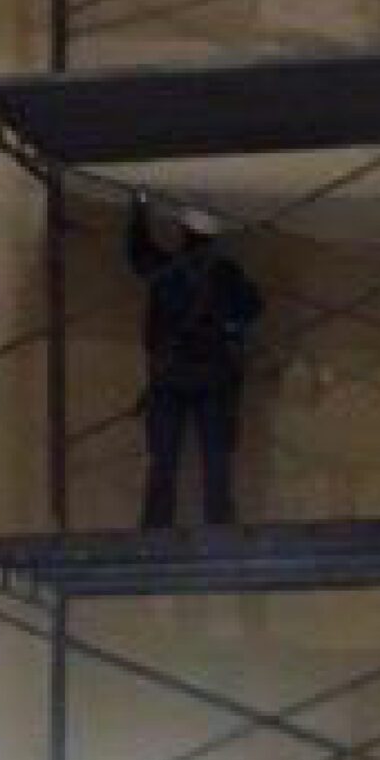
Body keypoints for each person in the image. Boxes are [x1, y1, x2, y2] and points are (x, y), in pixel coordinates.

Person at [126, 191, 263, 529]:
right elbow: (252, 309)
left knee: (163, 460)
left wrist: (139, 208)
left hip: (169, 376)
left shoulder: (166, 268)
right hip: (214, 378)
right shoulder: (228, 274)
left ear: (184, 234)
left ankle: (156, 528)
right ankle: (220, 524)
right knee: (216, 460)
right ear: (214, 239)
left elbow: (137, 253)